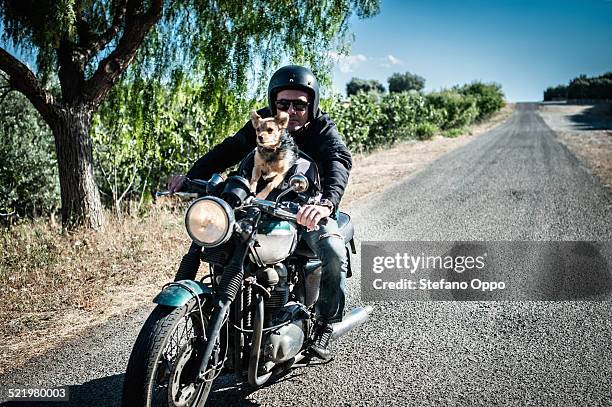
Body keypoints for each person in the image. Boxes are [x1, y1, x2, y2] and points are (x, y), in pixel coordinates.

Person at [167, 65, 352, 359]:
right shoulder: (264, 125)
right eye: (283, 104)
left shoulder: (322, 129)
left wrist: (326, 203)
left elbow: (338, 162)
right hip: (259, 206)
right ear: (273, 103)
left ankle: (325, 323)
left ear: (311, 105)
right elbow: (228, 150)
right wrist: (190, 177)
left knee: (332, 250)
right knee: (219, 239)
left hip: (304, 210)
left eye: (299, 105)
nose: (291, 111)